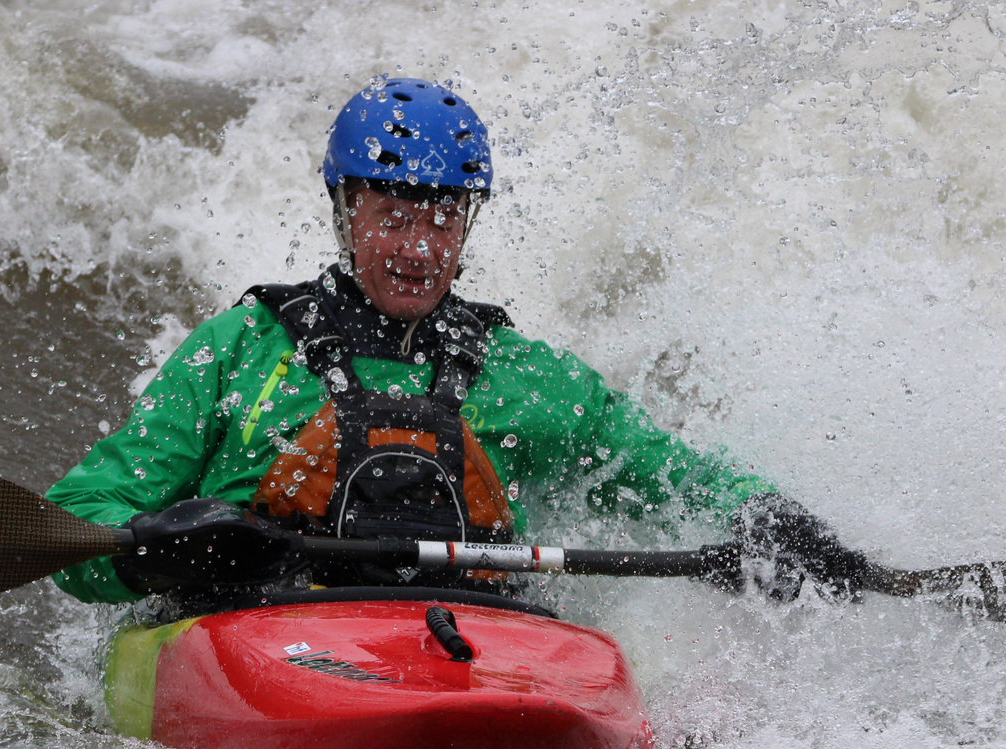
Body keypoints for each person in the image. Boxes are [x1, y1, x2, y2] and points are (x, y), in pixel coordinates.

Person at [46, 76, 867, 609]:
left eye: (444, 219)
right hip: (256, 632)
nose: (419, 248)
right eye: (393, 217)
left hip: (467, 643)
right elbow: (81, 517)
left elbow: (658, 471)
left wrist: (766, 517)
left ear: (470, 221)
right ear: (345, 211)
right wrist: (157, 548)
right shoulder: (242, 349)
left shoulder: (522, 376)